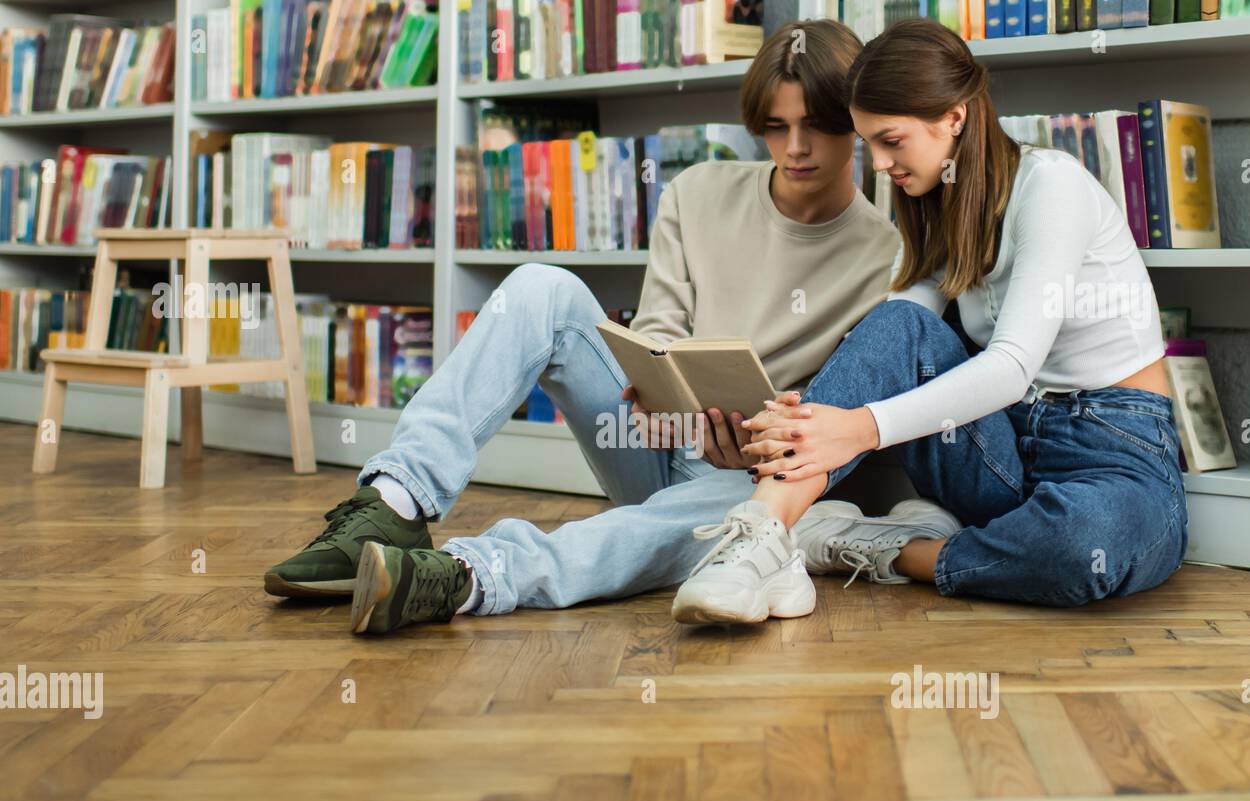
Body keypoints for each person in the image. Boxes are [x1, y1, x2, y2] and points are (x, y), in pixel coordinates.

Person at [261, 20, 903, 634]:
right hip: (658, 439)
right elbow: (653, 336)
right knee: (542, 287)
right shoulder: (699, 192)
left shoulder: (890, 257)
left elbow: (849, 411)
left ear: (857, 123)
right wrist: (656, 401)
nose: (795, 148)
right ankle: (394, 503)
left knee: (737, 519)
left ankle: (469, 575)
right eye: (775, 126)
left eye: (817, 127)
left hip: (756, 484)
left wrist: (763, 447)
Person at [671, 17, 1189, 624]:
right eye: (871, 145)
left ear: (955, 117)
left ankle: (882, 549)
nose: (882, 164)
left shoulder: (1053, 187)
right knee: (898, 326)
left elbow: (1011, 366)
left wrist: (858, 428)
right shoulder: (932, 206)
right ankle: (762, 533)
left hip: (1112, 448)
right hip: (1000, 447)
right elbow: (894, 336)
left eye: (893, 141)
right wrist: (807, 418)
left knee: (1080, 549)